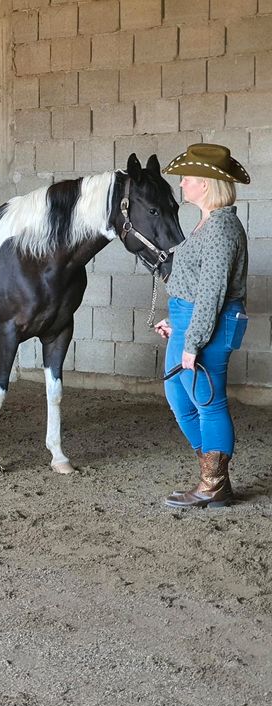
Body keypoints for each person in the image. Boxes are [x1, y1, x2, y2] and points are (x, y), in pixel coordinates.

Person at [154, 144, 250, 508]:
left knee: (209, 403)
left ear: (206, 185)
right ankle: (212, 478)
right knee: (180, 399)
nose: (181, 185)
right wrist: (174, 318)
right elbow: (197, 282)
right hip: (188, 320)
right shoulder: (206, 223)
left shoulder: (223, 227)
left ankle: (213, 483)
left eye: (187, 179)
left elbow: (213, 292)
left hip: (208, 325)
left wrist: (192, 341)